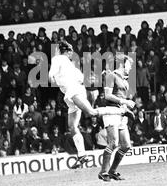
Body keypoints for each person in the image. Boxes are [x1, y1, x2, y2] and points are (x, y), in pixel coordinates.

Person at [48, 41, 134, 169]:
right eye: (71, 52)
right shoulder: (72, 67)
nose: (72, 54)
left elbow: (50, 77)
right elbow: (86, 81)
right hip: (72, 93)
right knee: (72, 127)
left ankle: (120, 111)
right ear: (67, 51)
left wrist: (54, 80)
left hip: (73, 91)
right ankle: (82, 155)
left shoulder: (58, 59)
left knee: (92, 113)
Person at [98, 55, 136, 181]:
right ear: (122, 64)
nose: (131, 67)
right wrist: (125, 101)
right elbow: (107, 96)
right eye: (129, 64)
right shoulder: (111, 76)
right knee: (113, 142)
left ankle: (112, 171)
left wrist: (126, 108)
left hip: (120, 113)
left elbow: (120, 99)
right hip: (111, 112)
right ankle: (103, 172)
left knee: (126, 145)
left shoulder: (124, 80)